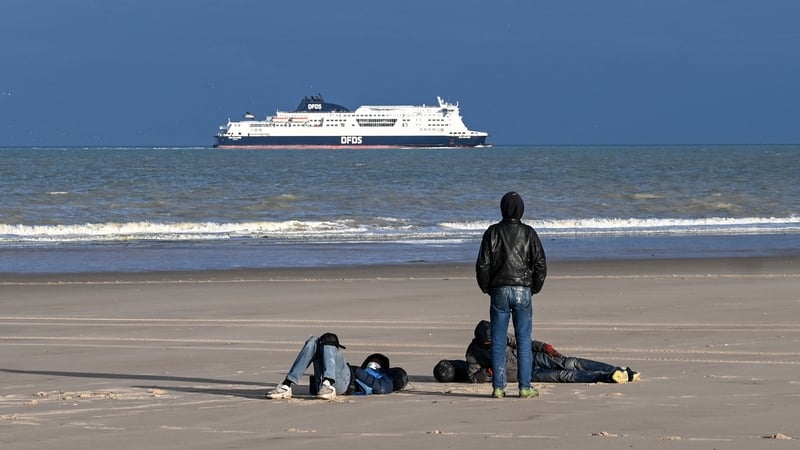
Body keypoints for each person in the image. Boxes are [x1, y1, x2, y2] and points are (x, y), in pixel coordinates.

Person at [476, 191, 547, 399]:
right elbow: (540, 264)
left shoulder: (493, 232)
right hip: (523, 290)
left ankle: (499, 387)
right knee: (524, 339)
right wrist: (534, 287)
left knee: (498, 340)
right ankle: (525, 387)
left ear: (503, 208)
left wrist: (486, 287)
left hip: (499, 290)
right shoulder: (528, 233)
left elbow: (483, 264)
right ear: (521, 209)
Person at [433, 320, 640, 384]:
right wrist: (489, 373)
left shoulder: (501, 335)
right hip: (525, 374)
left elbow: (523, 341)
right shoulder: (473, 353)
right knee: (563, 375)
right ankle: (607, 377)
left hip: (530, 357)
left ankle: (619, 370)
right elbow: (472, 377)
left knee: (571, 362)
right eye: (489, 343)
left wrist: (544, 347)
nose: (493, 343)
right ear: (481, 342)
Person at [265, 332, 408, 400]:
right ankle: (287, 385)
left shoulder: (386, 378)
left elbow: (381, 388)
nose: (372, 363)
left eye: (376, 361)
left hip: (346, 384)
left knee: (329, 339)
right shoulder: (368, 371)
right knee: (314, 341)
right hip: (332, 379)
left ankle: (328, 383)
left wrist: (357, 371)